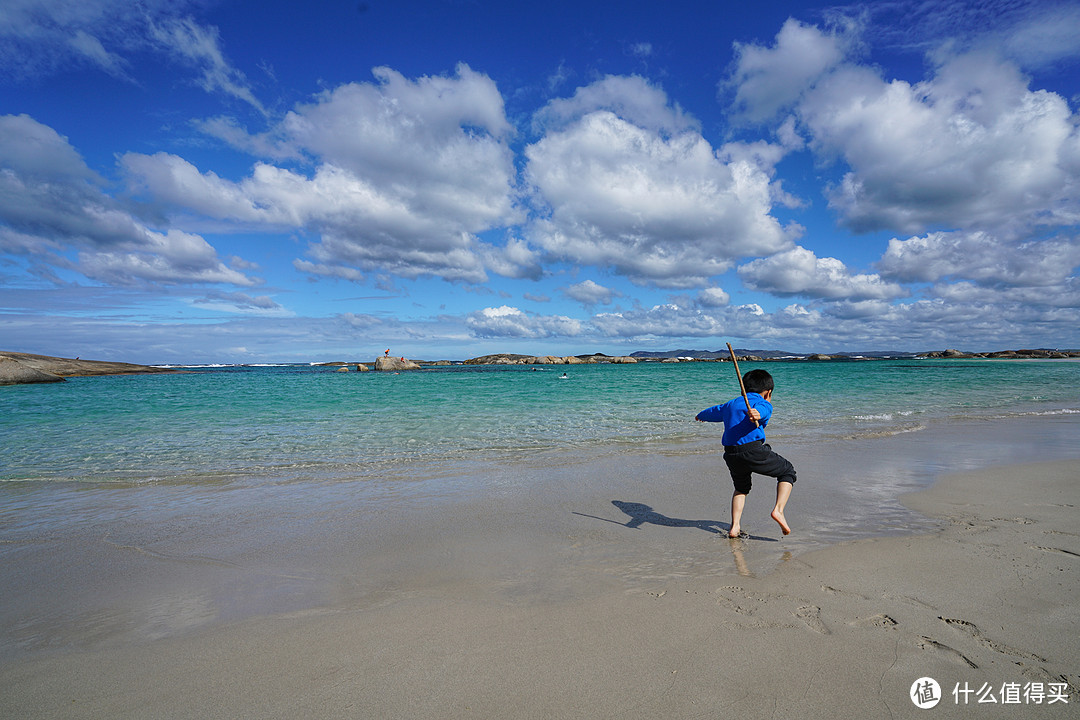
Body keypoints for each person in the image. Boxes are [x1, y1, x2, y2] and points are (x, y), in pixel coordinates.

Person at [695, 368, 796, 539]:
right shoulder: (763, 403)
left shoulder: (731, 404)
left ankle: (735, 527)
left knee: (741, 488)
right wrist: (758, 413)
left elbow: (714, 411)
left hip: (731, 455)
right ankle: (778, 510)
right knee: (787, 471)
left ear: (743, 389)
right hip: (752, 451)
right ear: (768, 392)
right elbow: (763, 410)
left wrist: (700, 415)